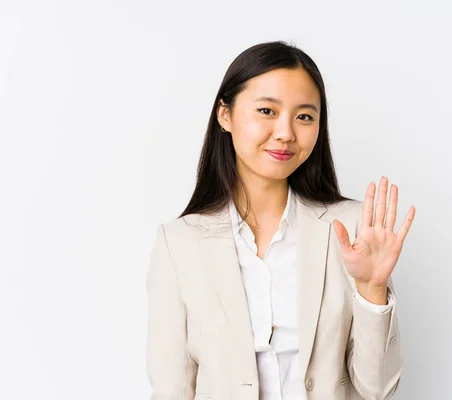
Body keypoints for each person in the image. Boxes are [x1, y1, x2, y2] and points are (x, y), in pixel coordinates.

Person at [146, 40, 416, 400]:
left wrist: (372, 290)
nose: (286, 132)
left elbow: (378, 389)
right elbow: (171, 390)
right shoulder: (179, 242)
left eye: (304, 116)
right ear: (224, 115)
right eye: (267, 111)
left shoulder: (350, 232)